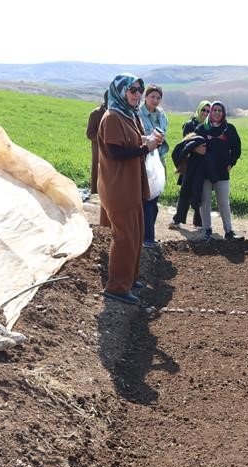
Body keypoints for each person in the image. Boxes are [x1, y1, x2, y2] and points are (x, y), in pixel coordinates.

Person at [97, 73, 160, 305]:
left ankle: (130, 279)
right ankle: (116, 286)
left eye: (139, 91)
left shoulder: (128, 115)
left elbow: (131, 142)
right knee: (124, 236)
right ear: (120, 91)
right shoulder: (112, 117)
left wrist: (147, 139)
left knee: (135, 234)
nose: (137, 95)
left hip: (131, 185)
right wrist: (146, 148)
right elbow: (116, 152)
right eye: (132, 90)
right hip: (118, 187)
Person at [194, 101, 241, 240]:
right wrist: (196, 149)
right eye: (214, 110)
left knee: (223, 202)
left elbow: (237, 149)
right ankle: (207, 230)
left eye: (220, 110)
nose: (217, 113)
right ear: (210, 112)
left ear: (223, 113)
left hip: (222, 171)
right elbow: (192, 145)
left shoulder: (229, 129)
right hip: (205, 171)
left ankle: (229, 231)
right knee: (205, 201)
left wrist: (231, 163)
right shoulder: (201, 129)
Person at [138, 85, 169, 248]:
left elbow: (165, 134)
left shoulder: (162, 115)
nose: (155, 100)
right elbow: (136, 136)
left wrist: (160, 139)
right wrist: (149, 139)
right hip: (143, 160)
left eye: (158, 98)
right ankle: (147, 238)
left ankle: (148, 235)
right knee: (147, 201)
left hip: (158, 160)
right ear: (146, 97)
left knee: (154, 200)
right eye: (152, 97)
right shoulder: (138, 113)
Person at [172, 101, 210, 228]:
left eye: (208, 111)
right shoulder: (190, 124)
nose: (205, 113)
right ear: (199, 110)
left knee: (200, 192)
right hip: (189, 163)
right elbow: (185, 143)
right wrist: (194, 149)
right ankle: (178, 220)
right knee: (185, 192)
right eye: (203, 110)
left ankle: (198, 223)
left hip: (203, 165)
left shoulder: (210, 126)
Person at [86, 91, 108, 194]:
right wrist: (103, 138)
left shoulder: (117, 113)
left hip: (112, 152)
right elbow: (89, 133)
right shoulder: (95, 114)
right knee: (97, 173)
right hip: (98, 150)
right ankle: (95, 194)